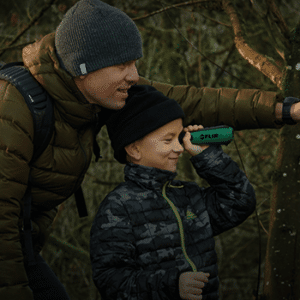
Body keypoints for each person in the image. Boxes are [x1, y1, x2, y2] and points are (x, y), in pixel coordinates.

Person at [0, 0, 298, 299]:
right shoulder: (12, 108)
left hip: (24, 243)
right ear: (82, 68)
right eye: (122, 66)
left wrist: (284, 110)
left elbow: (191, 102)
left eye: (134, 63)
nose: (133, 75)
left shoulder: (97, 91)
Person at [90, 84, 256, 300]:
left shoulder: (188, 196)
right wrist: (172, 285)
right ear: (134, 149)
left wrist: (207, 156)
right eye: (168, 140)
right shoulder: (118, 207)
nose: (179, 148)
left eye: (179, 138)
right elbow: (112, 282)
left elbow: (240, 201)